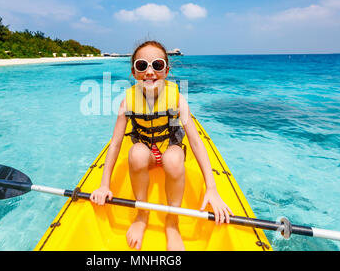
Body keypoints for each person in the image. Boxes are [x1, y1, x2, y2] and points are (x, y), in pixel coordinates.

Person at [90, 40, 233, 251]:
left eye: (156, 65)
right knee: (136, 153)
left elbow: (195, 140)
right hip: (146, 154)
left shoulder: (177, 99)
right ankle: (142, 214)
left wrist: (211, 188)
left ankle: (172, 222)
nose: (149, 72)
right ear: (133, 72)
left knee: (174, 160)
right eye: (142, 66)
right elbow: (116, 143)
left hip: (170, 149)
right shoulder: (127, 102)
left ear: (166, 71)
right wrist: (104, 185)